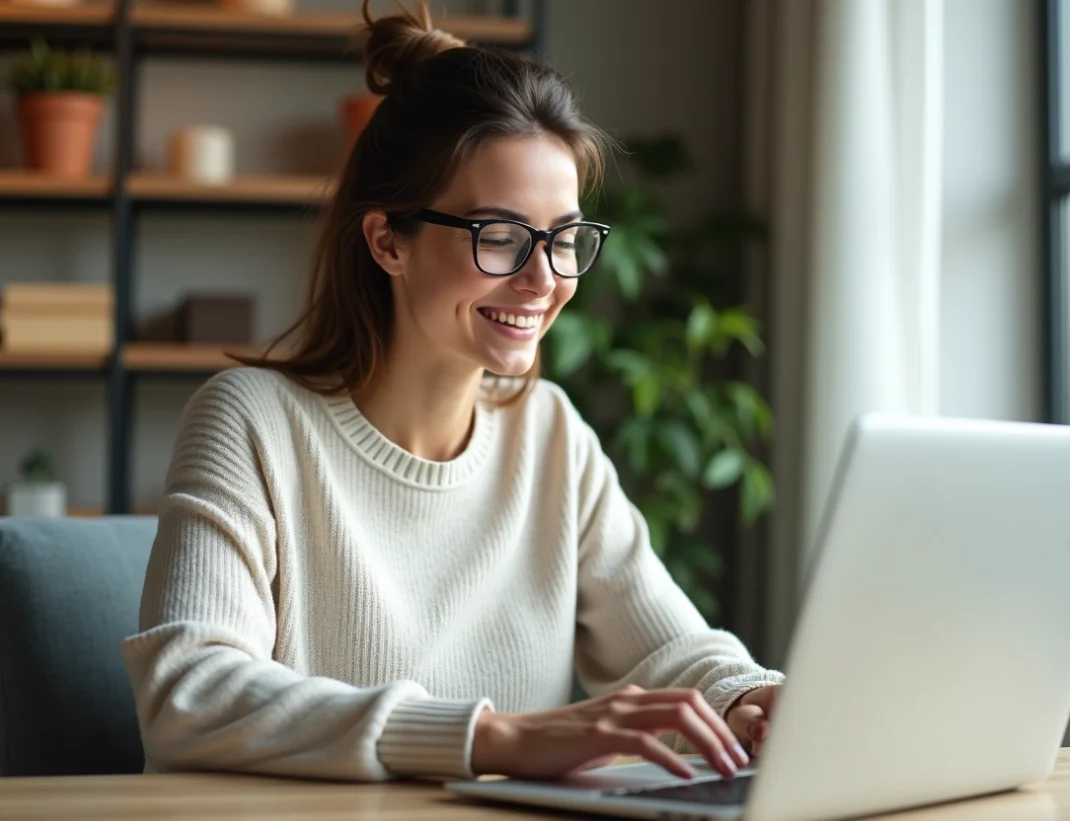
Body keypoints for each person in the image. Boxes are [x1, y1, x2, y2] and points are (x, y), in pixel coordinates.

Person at [121, 0, 784, 784]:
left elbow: (667, 647)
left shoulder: (548, 433)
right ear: (387, 241)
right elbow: (189, 693)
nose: (545, 279)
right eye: (500, 236)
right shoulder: (251, 421)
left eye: (566, 238)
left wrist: (751, 697)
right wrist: (491, 738)